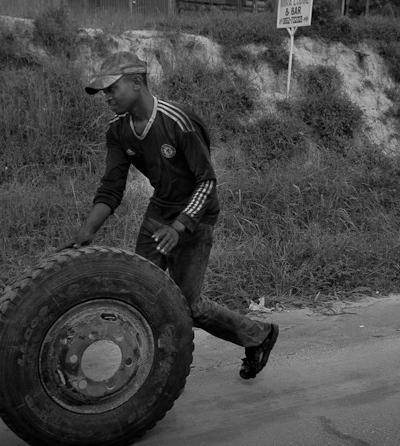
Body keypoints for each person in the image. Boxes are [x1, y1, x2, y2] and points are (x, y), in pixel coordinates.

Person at [67, 51, 279, 380]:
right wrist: (87, 231)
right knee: (142, 292)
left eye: (112, 88)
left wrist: (180, 227)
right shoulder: (118, 130)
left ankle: (259, 335)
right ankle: (148, 372)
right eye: (103, 91)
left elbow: (207, 181)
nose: (107, 96)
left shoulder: (178, 122)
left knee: (188, 305)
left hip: (196, 216)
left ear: (137, 83)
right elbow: (111, 187)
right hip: (160, 210)